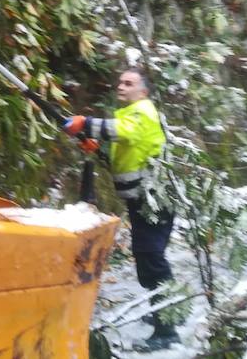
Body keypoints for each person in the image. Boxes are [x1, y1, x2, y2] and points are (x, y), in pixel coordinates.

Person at [63, 67, 179, 352]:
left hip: (155, 200)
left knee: (151, 259)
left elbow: (123, 132)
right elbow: (127, 152)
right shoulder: (131, 115)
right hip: (143, 201)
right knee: (147, 259)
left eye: (129, 83)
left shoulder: (143, 112)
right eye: (120, 82)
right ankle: (166, 309)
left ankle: (168, 328)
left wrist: (85, 123)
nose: (121, 86)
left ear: (143, 91)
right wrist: (97, 149)